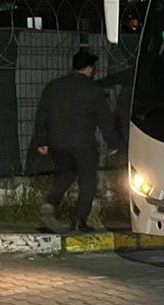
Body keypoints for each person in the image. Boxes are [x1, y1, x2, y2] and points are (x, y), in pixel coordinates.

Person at [34, 50, 119, 233]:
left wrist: (42, 141)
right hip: (83, 144)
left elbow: (42, 116)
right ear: (90, 68)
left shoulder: (53, 87)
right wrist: (113, 144)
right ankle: (80, 220)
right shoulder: (93, 89)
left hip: (58, 142)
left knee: (65, 175)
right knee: (87, 181)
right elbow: (104, 120)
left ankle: (48, 207)